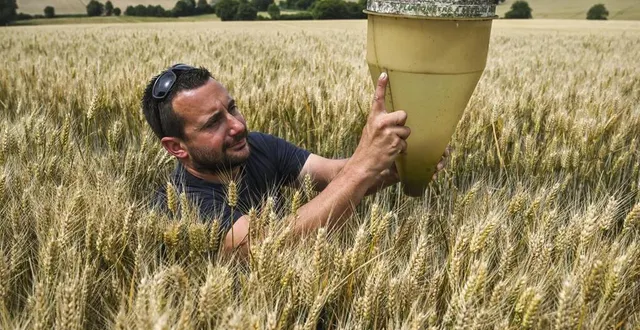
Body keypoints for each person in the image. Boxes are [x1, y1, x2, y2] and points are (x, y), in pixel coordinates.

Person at [141, 64, 447, 255]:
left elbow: (330, 175)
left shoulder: (255, 146)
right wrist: (365, 164)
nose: (237, 125)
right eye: (212, 123)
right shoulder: (181, 206)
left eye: (232, 109)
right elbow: (268, 246)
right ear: (176, 147)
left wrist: (396, 166)